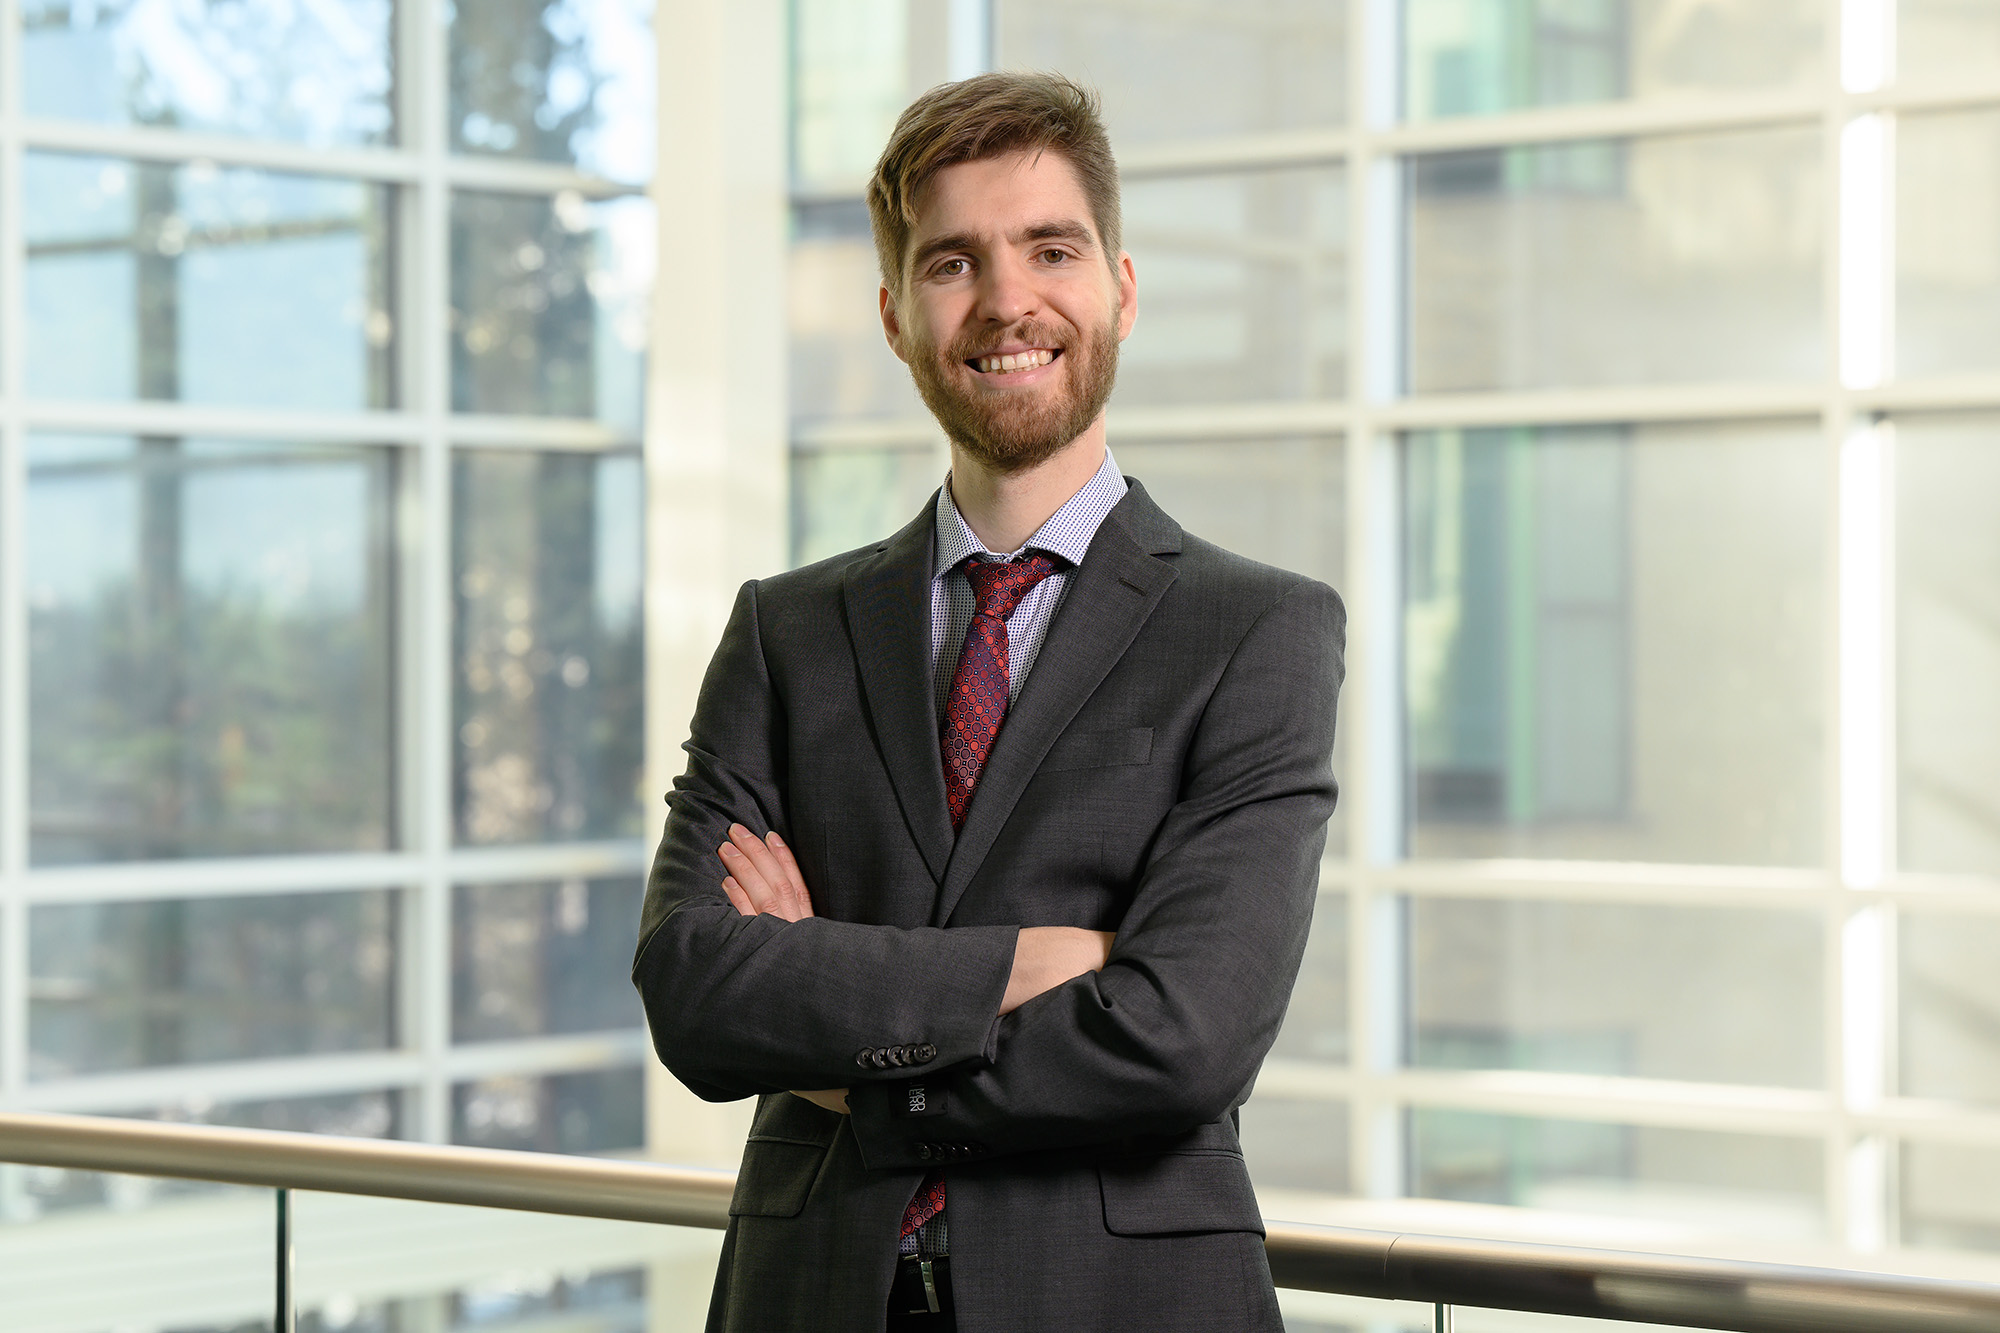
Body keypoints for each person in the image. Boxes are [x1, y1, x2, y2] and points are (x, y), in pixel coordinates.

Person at [633, 70, 1344, 1333]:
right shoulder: (783, 631)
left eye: (1049, 250)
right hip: (810, 1299)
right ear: (899, 319)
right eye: (951, 262)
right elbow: (695, 988)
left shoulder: (1258, 630)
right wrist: (1034, 962)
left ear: (1119, 290)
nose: (1008, 300)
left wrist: (847, 1050)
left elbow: (1184, 1034)